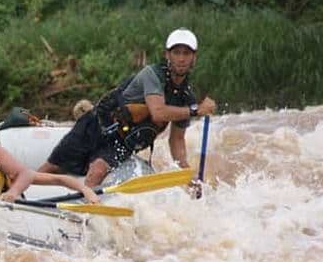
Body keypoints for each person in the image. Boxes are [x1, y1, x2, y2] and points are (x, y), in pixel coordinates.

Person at [38, 28, 216, 189]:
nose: (181, 58)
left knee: (97, 172)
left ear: (194, 57)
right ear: (167, 55)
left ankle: (83, 215)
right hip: (97, 124)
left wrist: (185, 173)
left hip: (122, 142)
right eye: (176, 52)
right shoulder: (152, 74)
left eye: (186, 53)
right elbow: (158, 111)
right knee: (52, 166)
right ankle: (22, 195)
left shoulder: (186, 97)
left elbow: (176, 141)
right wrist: (196, 111)